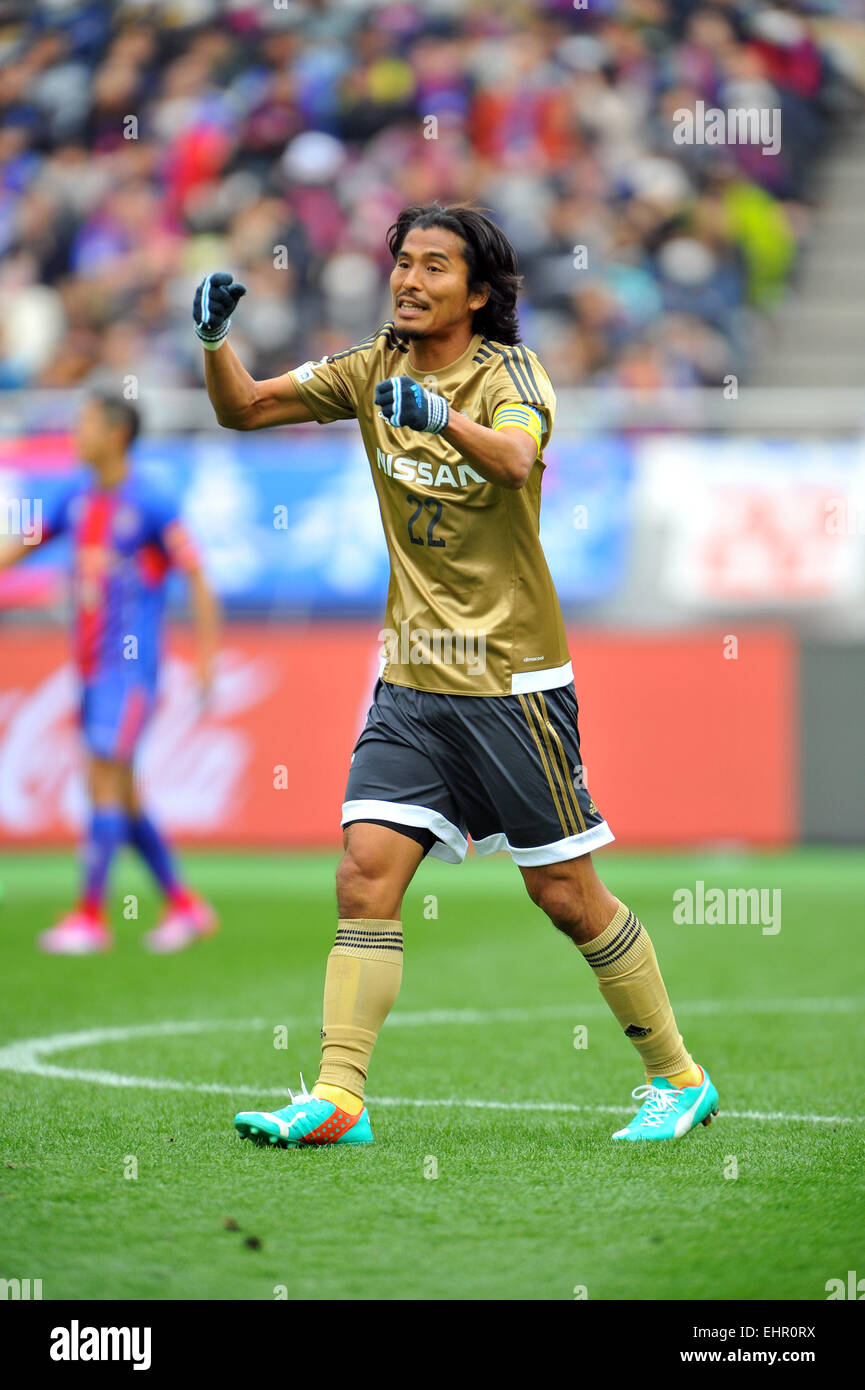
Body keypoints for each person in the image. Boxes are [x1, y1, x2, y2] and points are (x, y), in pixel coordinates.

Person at [196, 202, 718, 1144]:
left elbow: (516, 460)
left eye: (434, 266)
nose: (408, 279)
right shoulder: (369, 367)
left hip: (511, 683)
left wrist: (440, 418)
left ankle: (677, 1077)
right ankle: (339, 1098)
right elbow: (243, 410)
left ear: (477, 293)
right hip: (412, 681)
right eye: (402, 261)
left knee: (563, 894)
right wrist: (213, 337)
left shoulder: (509, 374)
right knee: (364, 875)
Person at [0, 392, 220, 954]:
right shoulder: (76, 495)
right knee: (122, 792)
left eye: (86, 423)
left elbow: (196, 575)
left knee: (104, 779)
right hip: (91, 670)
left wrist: (205, 659)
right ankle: (185, 905)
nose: (76, 432)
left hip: (131, 671)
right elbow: (24, 545)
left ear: (116, 433)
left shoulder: (150, 500)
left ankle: (90, 915)